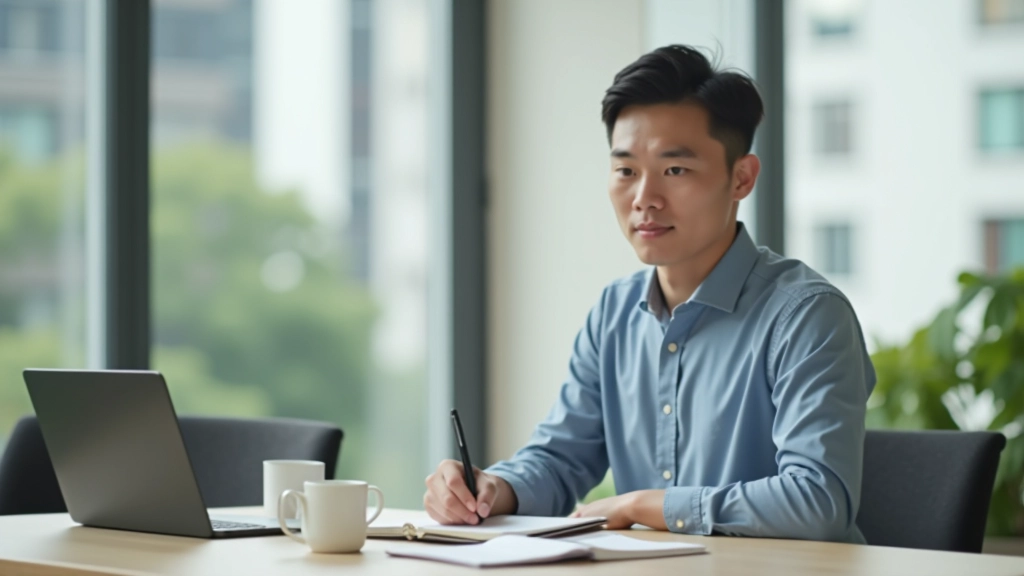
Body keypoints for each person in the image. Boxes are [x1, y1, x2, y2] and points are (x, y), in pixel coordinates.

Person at [423, 44, 875, 543]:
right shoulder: (614, 313)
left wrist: (645, 505)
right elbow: (558, 460)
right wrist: (491, 488)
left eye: (674, 170)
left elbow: (817, 501)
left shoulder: (807, 316)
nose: (644, 199)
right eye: (626, 171)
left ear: (741, 178)